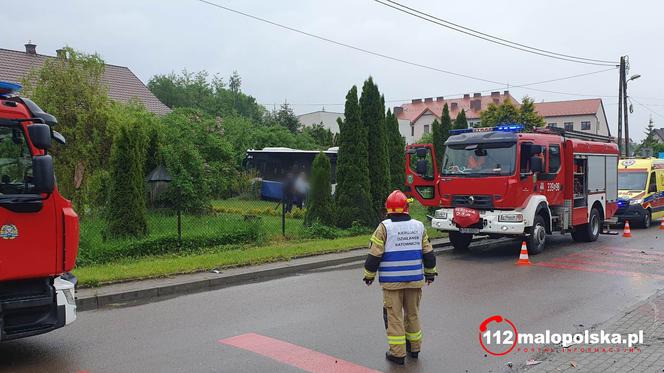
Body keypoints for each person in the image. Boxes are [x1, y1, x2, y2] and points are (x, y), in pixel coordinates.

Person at [362, 190, 438, 365]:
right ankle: (415, 348)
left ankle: (398, 354)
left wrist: (369, 276)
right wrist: (430, 273)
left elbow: (374, 255)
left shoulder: (384, 227)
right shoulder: (419, 226)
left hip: (392, 283)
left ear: (388, 209)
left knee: (394, 317)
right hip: (414, 280)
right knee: (413, 314)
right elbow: (429, 253)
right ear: (407, 207)